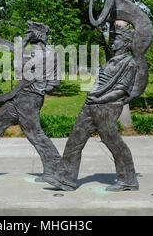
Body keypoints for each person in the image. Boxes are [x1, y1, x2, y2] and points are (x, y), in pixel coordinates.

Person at [44, 25, 140, 192]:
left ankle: (128, 180)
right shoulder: (112, 61)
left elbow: (121, 90)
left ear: (125, 43)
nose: (113, 42)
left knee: (113, 142)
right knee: (75, 138)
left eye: (116, 39)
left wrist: (100, 97)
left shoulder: (129, 63)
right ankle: (66, 178)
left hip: (108, 107)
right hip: (92, 105)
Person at [0, 22, 62, 182]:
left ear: (37, 35)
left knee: (35, 134)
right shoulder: (31, 53)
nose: (26, 35)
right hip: (18, 98)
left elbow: (22, 70)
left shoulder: (46, 54)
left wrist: (38, 88)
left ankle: (56, 171)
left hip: (30, 99)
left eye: (29, 33)